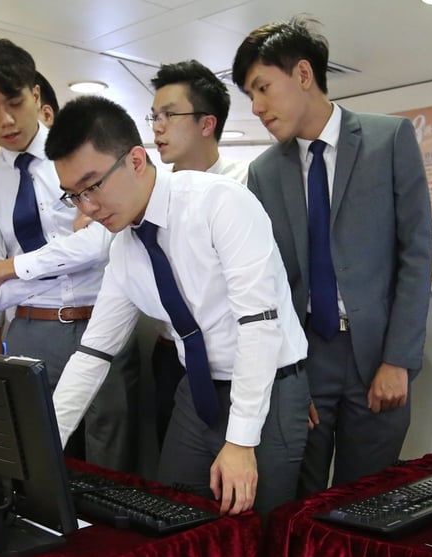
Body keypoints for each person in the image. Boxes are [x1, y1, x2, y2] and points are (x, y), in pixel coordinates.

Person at [46, 95, 309, 516]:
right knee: (172, 518)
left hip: (269, 389)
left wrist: (241, 441)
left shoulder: (220, 203)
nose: (88, 208)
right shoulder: (126, 248)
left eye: (93, 186)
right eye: (73, 196)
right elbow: (94, 352)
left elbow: (259, 325)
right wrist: (44, 444)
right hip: (196, 393)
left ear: (135, 160)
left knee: (256, 535)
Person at [231, 17, 432, 495]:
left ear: (303, 74)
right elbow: (270, 279)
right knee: (299, 499)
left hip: (377, 356)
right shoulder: (263, 172)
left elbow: (416, 254)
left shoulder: (390, 140)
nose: (256, 107)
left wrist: (399, 360)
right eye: (250, 96)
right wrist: (286, 376)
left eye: (262, 88)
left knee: (366, 500)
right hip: (306, 355)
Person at [0, 38, 137, 469]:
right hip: (30, 330)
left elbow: (99, 244)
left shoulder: (81, 157)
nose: (6, 119)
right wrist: (61, 253)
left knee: (113, 451)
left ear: (36, 94)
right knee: (36, 450)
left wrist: (9, 269)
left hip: (101, 318)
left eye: (14, 101)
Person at [147, 59, 249, 447]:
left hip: (233, 358)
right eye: (154, 115)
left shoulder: (245, 185)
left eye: (169, 115)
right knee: (173, 469)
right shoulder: (152, 194)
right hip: (171, 353)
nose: (157, 127)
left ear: (207, 124)